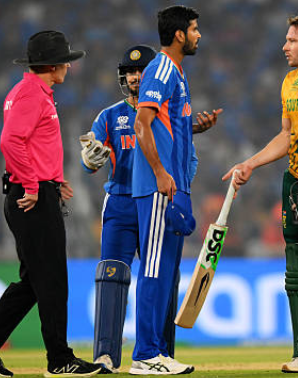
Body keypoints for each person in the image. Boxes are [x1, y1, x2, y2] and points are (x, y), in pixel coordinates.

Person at [0, 30, 102, 378]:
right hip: (30, 196)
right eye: (65, 61)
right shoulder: (31, 95)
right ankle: (59, 360)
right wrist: (33, 185)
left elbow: (33, 144)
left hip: (37, 190)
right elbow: (10, 141)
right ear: (52, 65)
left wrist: (54, 178)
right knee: (51, 279)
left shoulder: (28, 92)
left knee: (37, 280)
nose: (68, 67)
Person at [80, 44, 218, 373]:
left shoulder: (168, 114)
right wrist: (90, 158)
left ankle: (160, 351)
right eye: (129, 72)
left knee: (163, 276)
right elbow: (89, 157)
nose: (135, 77)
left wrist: (176, 189)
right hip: (120, 204)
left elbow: (188, 159)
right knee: (112, 275)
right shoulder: (110, 115)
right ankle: (106, 355)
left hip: (157, 200)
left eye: (140, 71)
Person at [223, 16, 298, 373]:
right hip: (297, 184)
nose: (285, 46)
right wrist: (251, 163)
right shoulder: (290, 82)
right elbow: (287, 135)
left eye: (292, 40)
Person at [130, 5, 218, 375]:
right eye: (194, 29)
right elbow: (141, 122)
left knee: (166, 272)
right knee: (153, 270)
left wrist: (193, 129)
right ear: (179, 35)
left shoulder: (176, 72)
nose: (198, 35)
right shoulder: (162, 68)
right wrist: (159, 172)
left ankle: (159, 352)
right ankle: (144, 356)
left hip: (174, 187)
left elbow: (163, 124)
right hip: (159, 188)